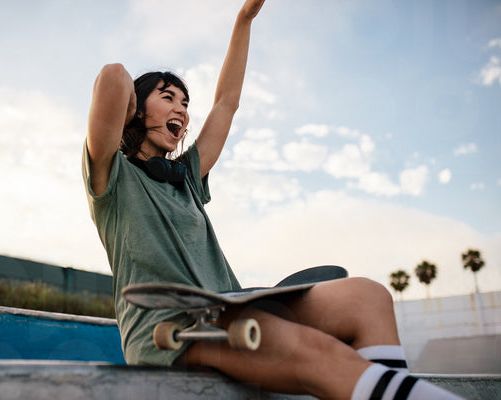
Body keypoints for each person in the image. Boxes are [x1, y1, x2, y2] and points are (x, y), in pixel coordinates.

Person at [82, 1, 465, 398]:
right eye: (168, 97)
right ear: (139, 110)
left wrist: (244, 18)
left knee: (368, 297)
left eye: (185, 103)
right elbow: (112, 77)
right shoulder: (112, 178)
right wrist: (126, 105)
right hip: (170, 328)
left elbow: (226, 103)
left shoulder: (188, 179)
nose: (181, 108)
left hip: (231, 307)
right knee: (317, 353)